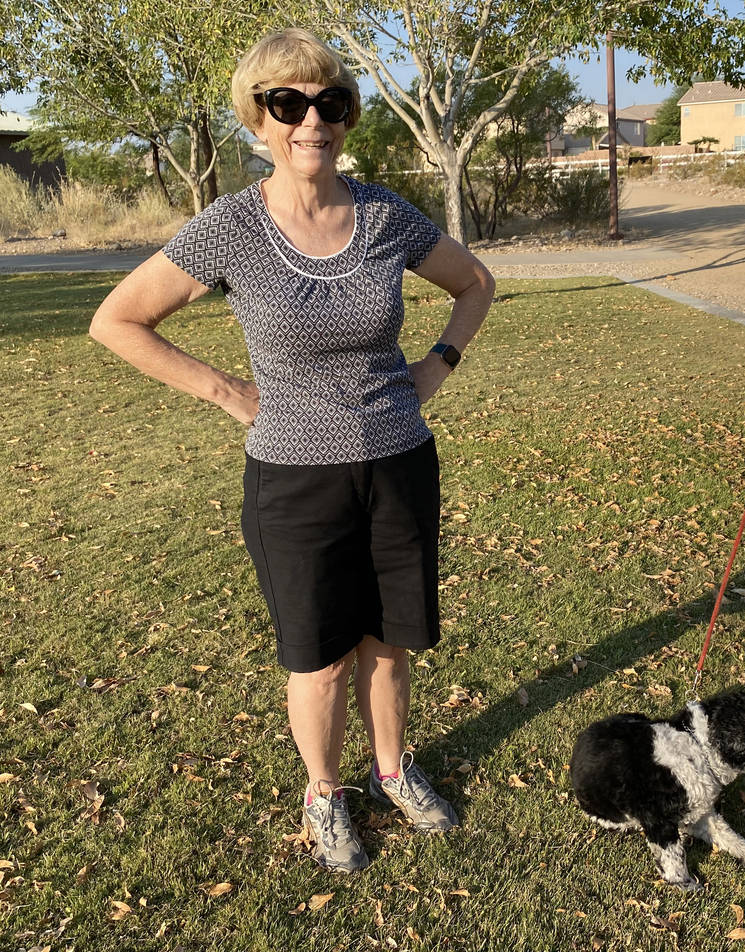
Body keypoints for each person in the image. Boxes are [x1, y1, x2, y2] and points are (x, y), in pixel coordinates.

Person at [90, 28, 495, 873]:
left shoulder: (385, 215)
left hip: (398, 461)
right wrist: (226, 392)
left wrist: (437, 364)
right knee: (318, 660)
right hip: (293, 477)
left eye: (330, 102)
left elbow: (474, 283)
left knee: (388, 643)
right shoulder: (230, 229)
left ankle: (391, 770)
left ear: (347, 116)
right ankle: (324, 793)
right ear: (259, 119)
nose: (312, 121)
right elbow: (118, 320)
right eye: (289, 103)